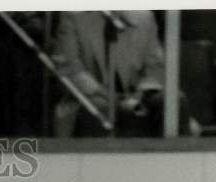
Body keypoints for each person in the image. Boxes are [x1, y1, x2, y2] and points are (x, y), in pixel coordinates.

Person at [51, 11, 191, 137]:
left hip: (137, 94)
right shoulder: (73, 16)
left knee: (174, 100)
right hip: (93, 96)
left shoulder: (144, 17)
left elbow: (155, 66)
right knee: (99, 108)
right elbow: (68, 67)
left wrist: (139, 95)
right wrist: (110, 98)